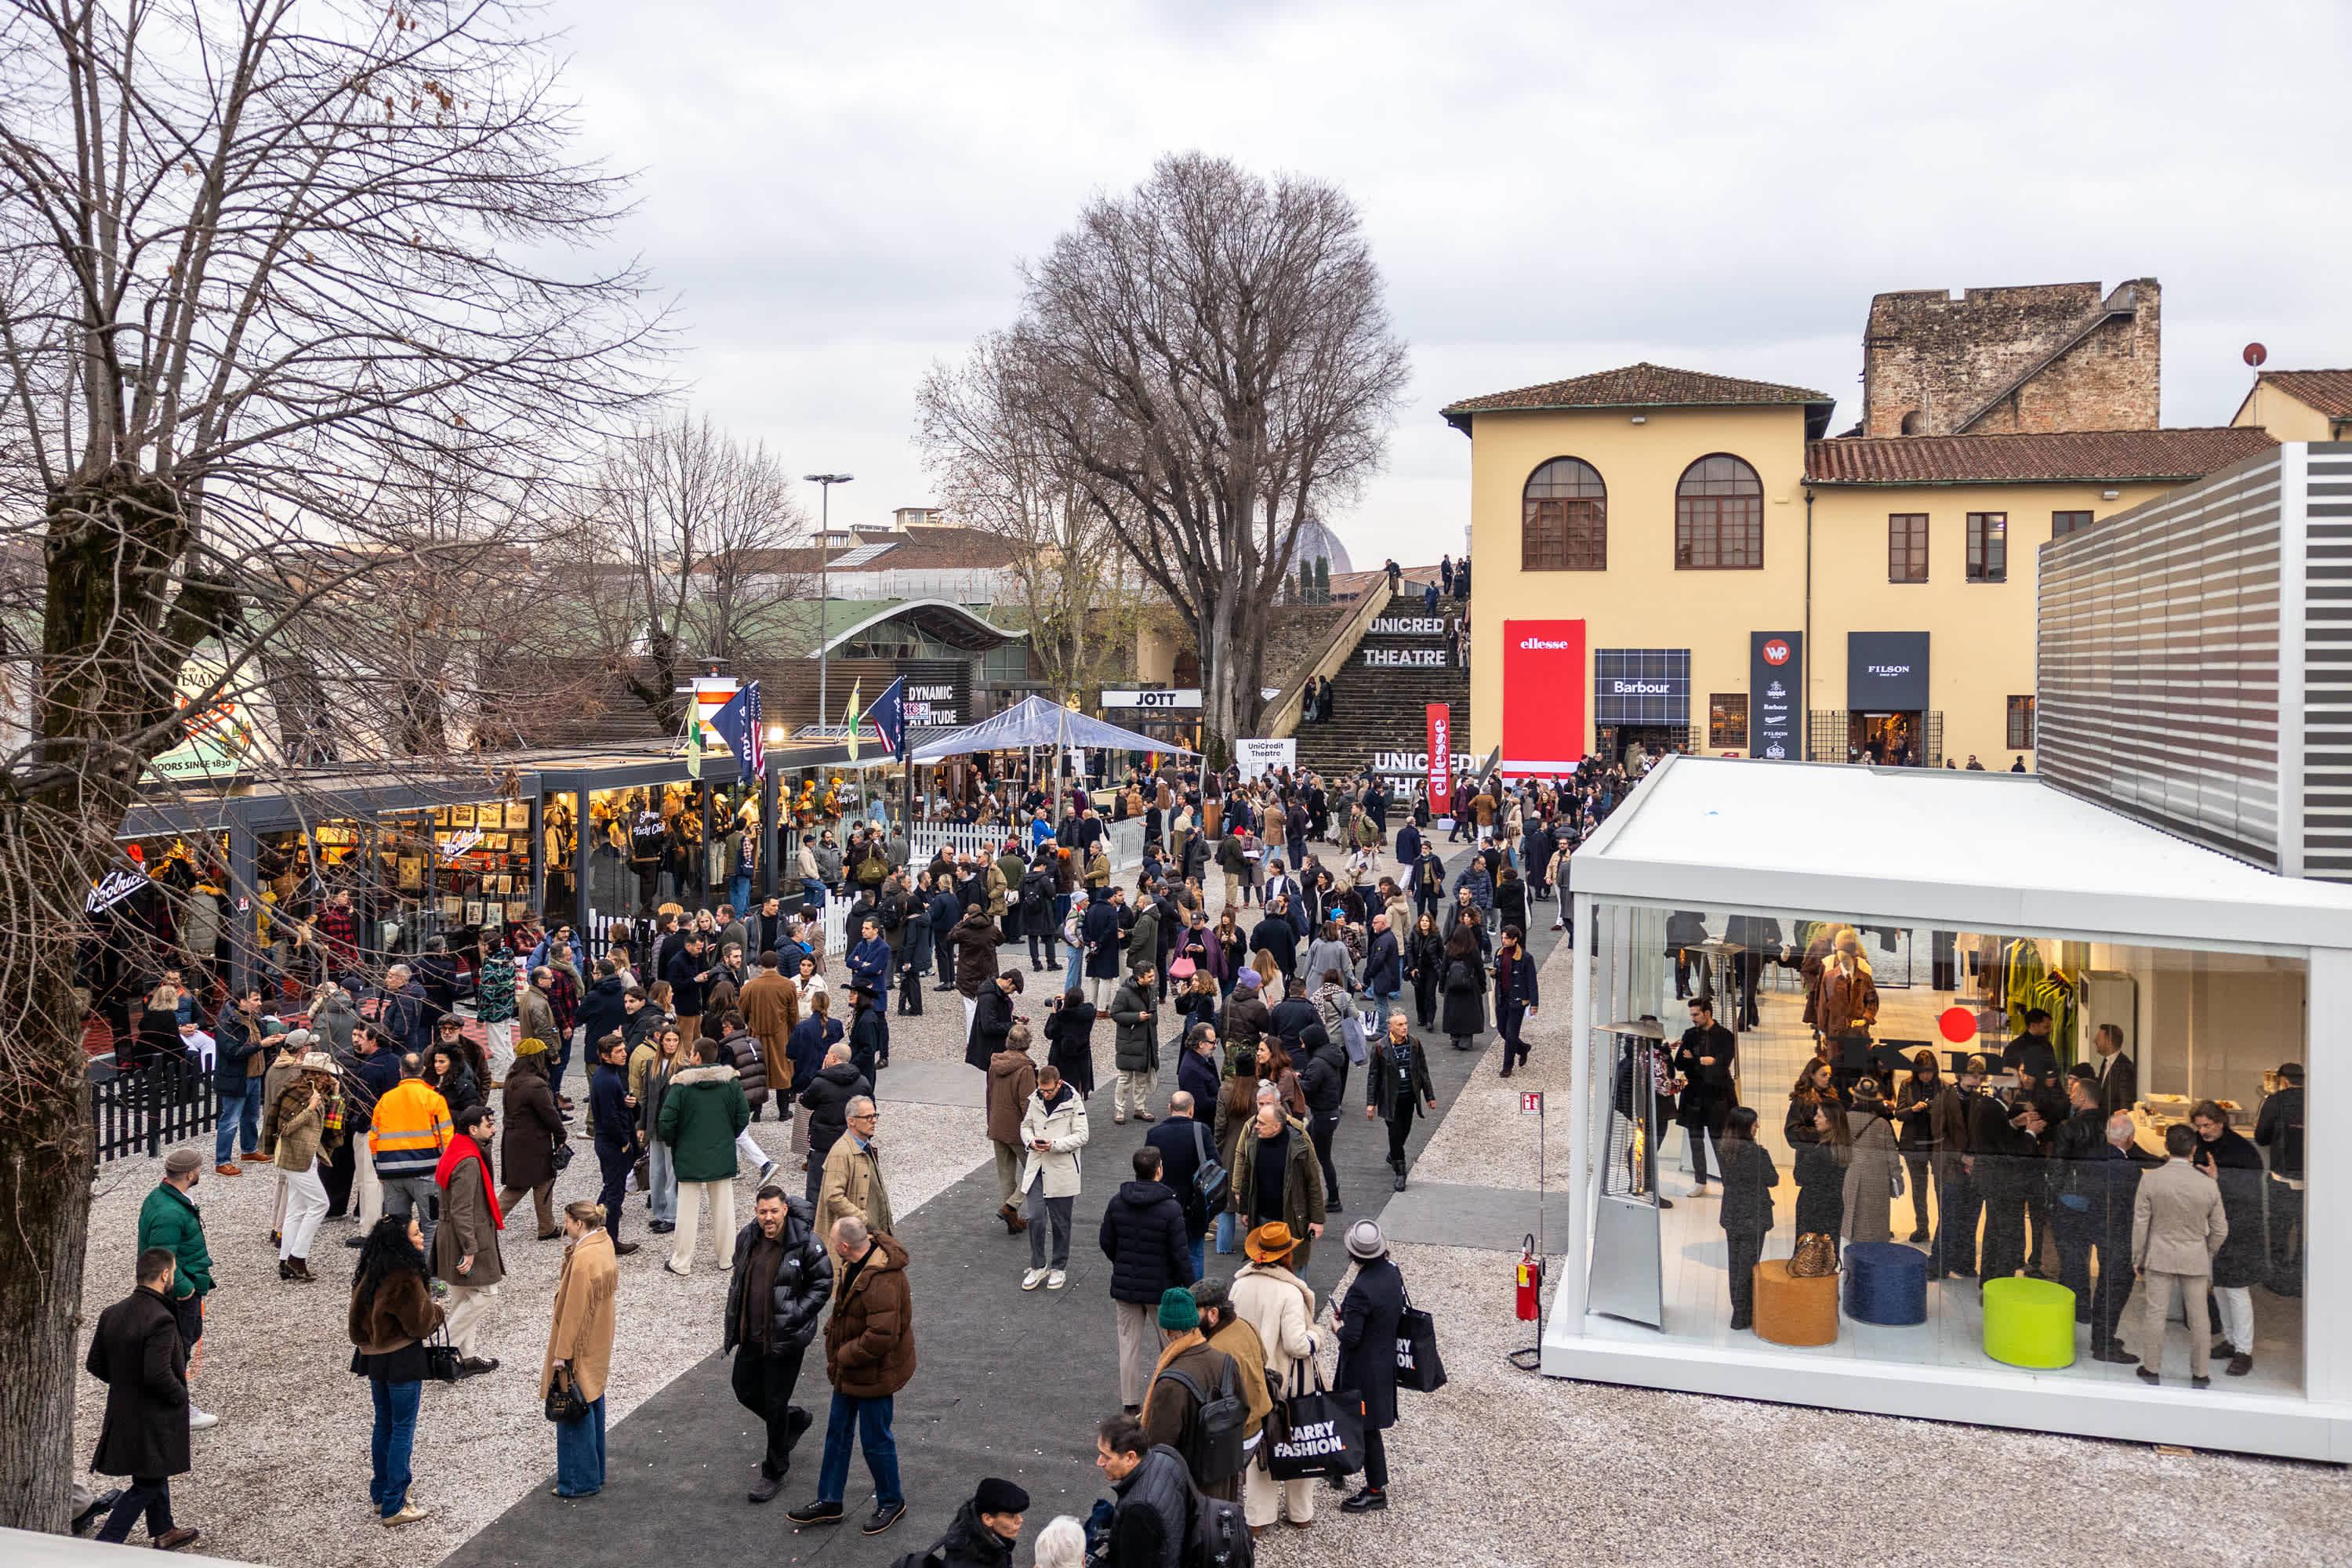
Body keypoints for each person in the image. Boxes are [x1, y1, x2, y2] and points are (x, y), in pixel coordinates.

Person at [788, 1215, 913, 1537]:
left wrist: (843, 1354)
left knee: (875, 1440)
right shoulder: (858, 1262)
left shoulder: (882, 1282)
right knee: (837, 1433)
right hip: (853, 1369)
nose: (831, 1246)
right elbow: (848, 1310)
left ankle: (892, 1501)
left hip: (874, 1373)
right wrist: (835, 1330)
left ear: (845, 1246)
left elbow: (882, 1336)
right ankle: (830, 1501)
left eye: (834, 1242)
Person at [85, 1247, 200, 1550]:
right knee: (146, 1483)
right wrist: (181, 1397)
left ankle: (164, 1530)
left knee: (153, 1471)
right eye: (173, 1273)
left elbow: (95, 1364)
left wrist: (125, 1385)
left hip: (122, 1411)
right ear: (165, 1275)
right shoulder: (161, 1319)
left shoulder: (112, 1313)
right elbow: (158, 1374)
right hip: (153, 1416)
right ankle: (104, 1545)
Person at [724, 1185, 833, 1502]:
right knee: (743, 1389)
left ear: (785, 1209)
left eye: (774, 1211)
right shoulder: (748, 1236)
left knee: (774, 1403)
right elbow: (738, 1277)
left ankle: (774, 1471)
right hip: (751, 1334)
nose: (768, 1217)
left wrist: (797, 1314)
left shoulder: (805, 1241)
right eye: (763, 1212)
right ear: (756, 1212)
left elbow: (823, 1282)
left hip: (785, 1339)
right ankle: (793, 1419)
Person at [347, 1212, 444, 1527]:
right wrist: (438, 1312)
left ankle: (380, 1495)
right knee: (403, 1428)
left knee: (384, 1425)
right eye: (416, 1233)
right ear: (402, 1240)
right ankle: (395, 1503)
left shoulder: (370, 1270)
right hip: (402, 1358)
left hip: (374, 1358)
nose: (421, 1236)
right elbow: (420, 1324)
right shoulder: (406, 1275)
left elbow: (355, 1322)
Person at [1229, 1221, 1319, 1530]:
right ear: (1287, 1255)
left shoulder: (1239, 1285)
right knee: (1298, 1443)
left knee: (1259, 1448)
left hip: (1250, 1379)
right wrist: (1317, 1335)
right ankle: (1300, 1513)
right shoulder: (1290, 1292)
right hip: (1285, 1382)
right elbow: (1297, 1345)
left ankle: (1258, 1517)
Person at [1099, 1145, 1196, 1413]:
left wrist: (1121, 1262)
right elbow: (1180, 1254)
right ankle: (1170, 1399)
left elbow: (1106, 1241)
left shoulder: (1117, 1202)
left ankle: (1130, 1405)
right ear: (1159, 1170)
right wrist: (1191, 1288)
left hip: (1126, 1287)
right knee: (1171, 1347)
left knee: (1128, 1348)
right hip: (1162, 1290)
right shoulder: (1170, 1208)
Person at [2133, 1123, 2227, 1387]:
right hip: (2194, 1255)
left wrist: (2138, 1256)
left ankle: (2152, 1367)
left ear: (2166, 1147)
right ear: (2194, 1149)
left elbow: (2141, 1223)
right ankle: (2200, 1373)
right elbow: (2221, 1229)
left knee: (2155, 1314)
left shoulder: (2150, 1179)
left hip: (2159, 1254)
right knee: (2200, 1319)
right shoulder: (2208, 1185)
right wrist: (2207, 1250)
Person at [657, 1036, 752, 1277]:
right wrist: (727, 1135)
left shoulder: (681, 1086)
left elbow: (666, 1121)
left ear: (697, 1057)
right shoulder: (731, 1083)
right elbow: (743, 1115)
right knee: (724, 1209)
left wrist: (676, 1141)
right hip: (721, 1151)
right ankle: (727, 1258)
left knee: (686, 1211)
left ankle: (682, 1262)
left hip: (689, 1153)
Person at [137, 1149, 219, 1430]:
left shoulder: (161, 1197)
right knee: (176, 1351)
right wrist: (185, 1289)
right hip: (176, 1295)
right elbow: (161, 1256)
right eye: (199, 1169)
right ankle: (176, 1409)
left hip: (175, 1290)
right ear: (190, 1174)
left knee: (177, 1346)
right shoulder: (170, 1212)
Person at [544, 1200, 619, 1498]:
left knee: (573, 1409)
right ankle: (594, 1473)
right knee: (593, 1399)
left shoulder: (584, 1257)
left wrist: (562, 1354)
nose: (564, 1227)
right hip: (598, 1336)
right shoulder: (603, 1242)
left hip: (580, 1344)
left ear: (579, 1223)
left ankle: (578, 1482)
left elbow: (573, 1310)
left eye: (567, 1221)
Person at [1139, 1285, 1242, 1500]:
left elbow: (1160, 1445)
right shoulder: (1226, 1362)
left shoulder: (1170, 1382)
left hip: (1190, 1490)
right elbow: (1243, 1409)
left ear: (1167, 1331)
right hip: (1224, 1478)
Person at [1332, 1220, 1405, 1513]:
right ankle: (1339, 1468)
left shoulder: (1361, 1289)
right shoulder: (1392, 1272)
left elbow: (1351, 1337)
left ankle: (1376, 1490)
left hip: (1362, 1368)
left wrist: (1337, 1327)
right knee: (1357, 1420)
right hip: (1384, 1358)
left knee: (1367, 1427)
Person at [2190, 1099, 2265, 1376]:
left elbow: (2250, 1192)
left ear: (2221, 1123)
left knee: (2236, 1290)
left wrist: (2217, 1179)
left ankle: (2244, 1351)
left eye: (2207, 1126)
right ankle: (2231, 1341)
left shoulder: (2243, 1152)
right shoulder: (2200, 1144)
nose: (2203, 1131)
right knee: (2219, 1286)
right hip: (2210, 1227)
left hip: (2239, 1228)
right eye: (2199, 1126)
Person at [432, 1102, 506, 1376]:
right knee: (486, 1293)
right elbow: (461, 1209)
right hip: (465, 1235)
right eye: (489, 1125)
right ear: (473, 1129)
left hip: (451, 1234)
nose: (494, 1130)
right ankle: (441, 1346)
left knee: (463, 1296)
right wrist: (470, 1248)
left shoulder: (457, 1149)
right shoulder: (469, 1160)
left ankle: (467, 1357)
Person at [370, 1053, 452, 1258]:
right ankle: (430, 1272)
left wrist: (379, 1170)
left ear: (401, 1072)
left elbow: (374, 1140)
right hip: (426, 1174)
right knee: (431, 1224)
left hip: (391, 1175)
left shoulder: (385, 1100)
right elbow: (445, 1140)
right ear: (423, 1070)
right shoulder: (434, 1099)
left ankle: (401, 1271)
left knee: (397, 1228)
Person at [1020, 1062, 1091, 1290]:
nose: (1045, 1094)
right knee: (1035, 1218)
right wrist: (1030, 1141)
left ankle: (1059, 1267)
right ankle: (1038, 1266)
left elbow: (1082, 1136)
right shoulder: (1036, 1099)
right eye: (1042, 1090)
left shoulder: (1074, 1101)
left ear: (1059, 1084)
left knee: (1061, 1223)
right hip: (1037, 1168)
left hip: (1062, 1170)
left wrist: (1054, 1145)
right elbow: (1025, 1126)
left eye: (1049, 1090)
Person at [272, 1052, 341, 1282]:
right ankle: (297, 1258)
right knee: (321, 1204)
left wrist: (336, 1095)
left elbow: (333, 1124)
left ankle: (285, 1261)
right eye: (327, 1075)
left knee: (297, 1209)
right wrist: (310, 1108)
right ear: (316, 1074)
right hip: (295, 1158)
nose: (329, 1079)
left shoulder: (316, 1093)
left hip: (305, 1157)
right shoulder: (299, 1093)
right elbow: (286, 1128)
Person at [1095, 1414, 1190, 1568]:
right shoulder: (1166, 1458)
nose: (1099, 1462)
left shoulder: (1139, 1510)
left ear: (1130, 1457)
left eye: (1106, 1457)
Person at [1716, 1107, 1777, 1332]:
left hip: (1732, 1212)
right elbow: (1773, 1180)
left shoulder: (1723, 1149)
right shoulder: (1758, 1154)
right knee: (1748, 1265)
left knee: (1735, 1263)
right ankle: (1742, 1313)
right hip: (1754, 1214)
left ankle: (1738, 1307)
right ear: (1745, 1127)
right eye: (1754, 1123)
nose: (1757, 1126)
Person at [499, 1037, 565, 1239]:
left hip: (515, 1140)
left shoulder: (512, 1079)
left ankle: (547, 1227)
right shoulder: (536, 1085)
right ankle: (484, 1225)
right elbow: (550, 1114)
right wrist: (561, 1136)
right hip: (533, 1143)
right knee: (519, 1187)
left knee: (542, 1181)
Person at [1367, 1011, 1437, 1192]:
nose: (1404, 1027)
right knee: (1395, 1132)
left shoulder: (1414, 1043)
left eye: (1405, 1023)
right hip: (1390, 1099)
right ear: (1390, 1027)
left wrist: (1429, 1096)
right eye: (1400, 1025)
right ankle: (1400, 1171)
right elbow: (1373, 1076)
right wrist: (1371, 1103)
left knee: (1404, 1130)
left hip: (1409, 1098)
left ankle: (1394, 1153)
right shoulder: (1380, 1047)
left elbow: (1422, 1071)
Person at [587, 1035, 644, 1258]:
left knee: (611, 1189)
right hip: (612, 1145)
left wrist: (628, 1103)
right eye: (619, 1051)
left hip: (610, 1142)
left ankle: (592, 1227)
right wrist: (624, 1142)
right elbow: (609, 1118)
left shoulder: (609, 1075)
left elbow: (614, 1108)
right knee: (614, 1194)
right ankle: (610, 1241)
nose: (624, 1053)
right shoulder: (607, 1079)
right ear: (605, 1056)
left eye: (623, 1049)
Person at [1671, 996, 1736, 1195]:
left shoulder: (1725, 1035)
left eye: (1696, 1014)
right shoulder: (1690, 1034)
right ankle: (1700, 1181)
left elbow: (1722, 1065)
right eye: (1691, 1015)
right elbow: (1679, 1063)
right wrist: (1703, 1061)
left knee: (1719, 1140)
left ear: (1707, 1013)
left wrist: (1695, 1059)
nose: (1693, 1018)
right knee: (1695, 1139)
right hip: (1694, 1094)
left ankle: (1729, 1183)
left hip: (1717, 1095)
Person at [2255, 1062, 2306, 1293]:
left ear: (2283, 1081)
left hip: (2282, 1178)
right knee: (2305, 1231)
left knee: (2279, 1229)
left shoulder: (2275, 1101)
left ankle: (2280, 1279)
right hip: (2310, 1181)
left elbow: (2261, 1138)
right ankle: (2301, 1280)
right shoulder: (2318, 1100)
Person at [987, 1020, 1041, 1233]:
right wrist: (1035, 1130)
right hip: (1017, 1128)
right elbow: (1027, 1103)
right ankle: (1011, 1206)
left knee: (1006, 1175)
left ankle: (1012, 1219)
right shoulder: (1025, 1069)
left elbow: (990, 1092)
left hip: (997, 1123)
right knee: (1036, 1170)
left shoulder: (995, 1063)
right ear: (1027, 1044)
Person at [817, 1093, 895, 1240]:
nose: (874, 1121)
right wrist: (863, 1219)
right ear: (851, 1121)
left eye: (875, 1116)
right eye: (868, 1117)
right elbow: (833, 1197)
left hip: (870, 1234)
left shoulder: (865, 1146)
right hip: (855, 1238)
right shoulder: (841, 1153)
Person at [916, 1478, 1029, 1568]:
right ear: (988, 1519)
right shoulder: (973, 1562)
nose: (1020, 1520)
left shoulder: (973, 1525)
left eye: (1018, 1514)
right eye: (1011, 1516)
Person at [1841, 1079, 1900, 1247]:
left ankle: (1853, 1254)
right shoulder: (1882, 1124)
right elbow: (1892, 1156)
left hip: (1852, 1174)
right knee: (1876, 1220)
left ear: (1856, 1098)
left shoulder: (1846, 1119)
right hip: (1878, 1178)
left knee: (1853, 1215)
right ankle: (1873, 1254)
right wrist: (1898, 1180)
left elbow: (1839, 1149)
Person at [1893, 1050, 1941, 1245]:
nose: (1925, 1076)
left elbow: (1950, 1114)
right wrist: (1913, 1109)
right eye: (1921, 1072)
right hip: (1913, 1145)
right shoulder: (1907, 1085)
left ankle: (1943, 1230)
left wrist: (1934, 1109)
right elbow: (1899, 1113)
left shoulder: (1943, 1086)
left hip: (1937, 1144)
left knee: (1941, 1189)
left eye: (1929, 1071)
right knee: (1919, 1189)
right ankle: (1922, 1228)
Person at [1792, 1101, 1851, 1256]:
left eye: (1819, 1116)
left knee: (1808, 1255)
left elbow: (1799, 1175)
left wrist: (1802, 1151)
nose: (1815, 1119)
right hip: (1834, 1204)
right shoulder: (1844, 1148)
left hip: (1812, 1206)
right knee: (1827, 1253)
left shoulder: (1818, 1150)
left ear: (1831, 1122)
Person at [1109, 963, 1160, 1125]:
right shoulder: (1124, 993)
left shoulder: (1152, 990)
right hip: (1129, 1041)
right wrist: (1137, 1017)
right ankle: (1119, 1110)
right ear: (1139, 977)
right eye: (1150, 976)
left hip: (1147, 1040)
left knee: (1141, 1078)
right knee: (1125, 1078)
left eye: (1153, 975)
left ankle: (1140, 1108)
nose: (1153, 979)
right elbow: (1115, 1014)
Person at [1490, 923, 1538, 1076]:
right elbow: (1499, 972)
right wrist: (1494, 974)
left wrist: (1534, 1003)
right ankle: (1522, 1048)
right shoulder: (1499, 953)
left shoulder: (1526, 958)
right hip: (1502, 998)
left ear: (1515, 939)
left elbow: (1532, 981)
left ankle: (1507, 1066)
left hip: (1517, 1000)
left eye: (1506, 938)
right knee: (1502, 1030)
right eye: (1503, 937)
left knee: (1511, 1034)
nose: (1503, 940)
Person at [1438, 924, 1486, 1051]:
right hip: (1470, 986)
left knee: (1454, 1012)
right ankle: (1465, 1039)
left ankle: (1455, 1037)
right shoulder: (1473, 950)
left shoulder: (1449, 949)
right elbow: (1480, 969)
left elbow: (1443, 970)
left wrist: (1441, 987)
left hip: (1452, 986)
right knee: (1468, 1013)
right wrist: (1482, 986)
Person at [1044, 989, 1098, 1099]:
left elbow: (1049, 1033)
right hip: (1081, 1060)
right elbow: (1085, 1007)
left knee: (1062, 1095)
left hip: (1062, 1061)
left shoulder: (1062, 1017)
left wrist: (1055, 1014)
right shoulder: (1088, 1014)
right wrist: (1070, 998)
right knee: (1076, 1095)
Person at [2088, 1021, 2138, 1117]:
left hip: (2114, 1121)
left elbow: (2126, 1101)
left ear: (2109, 1043)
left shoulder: (2125, 1066)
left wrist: (2123, 1115)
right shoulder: (2106, 1061)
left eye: (2098, 1038)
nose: (2094, 1041)